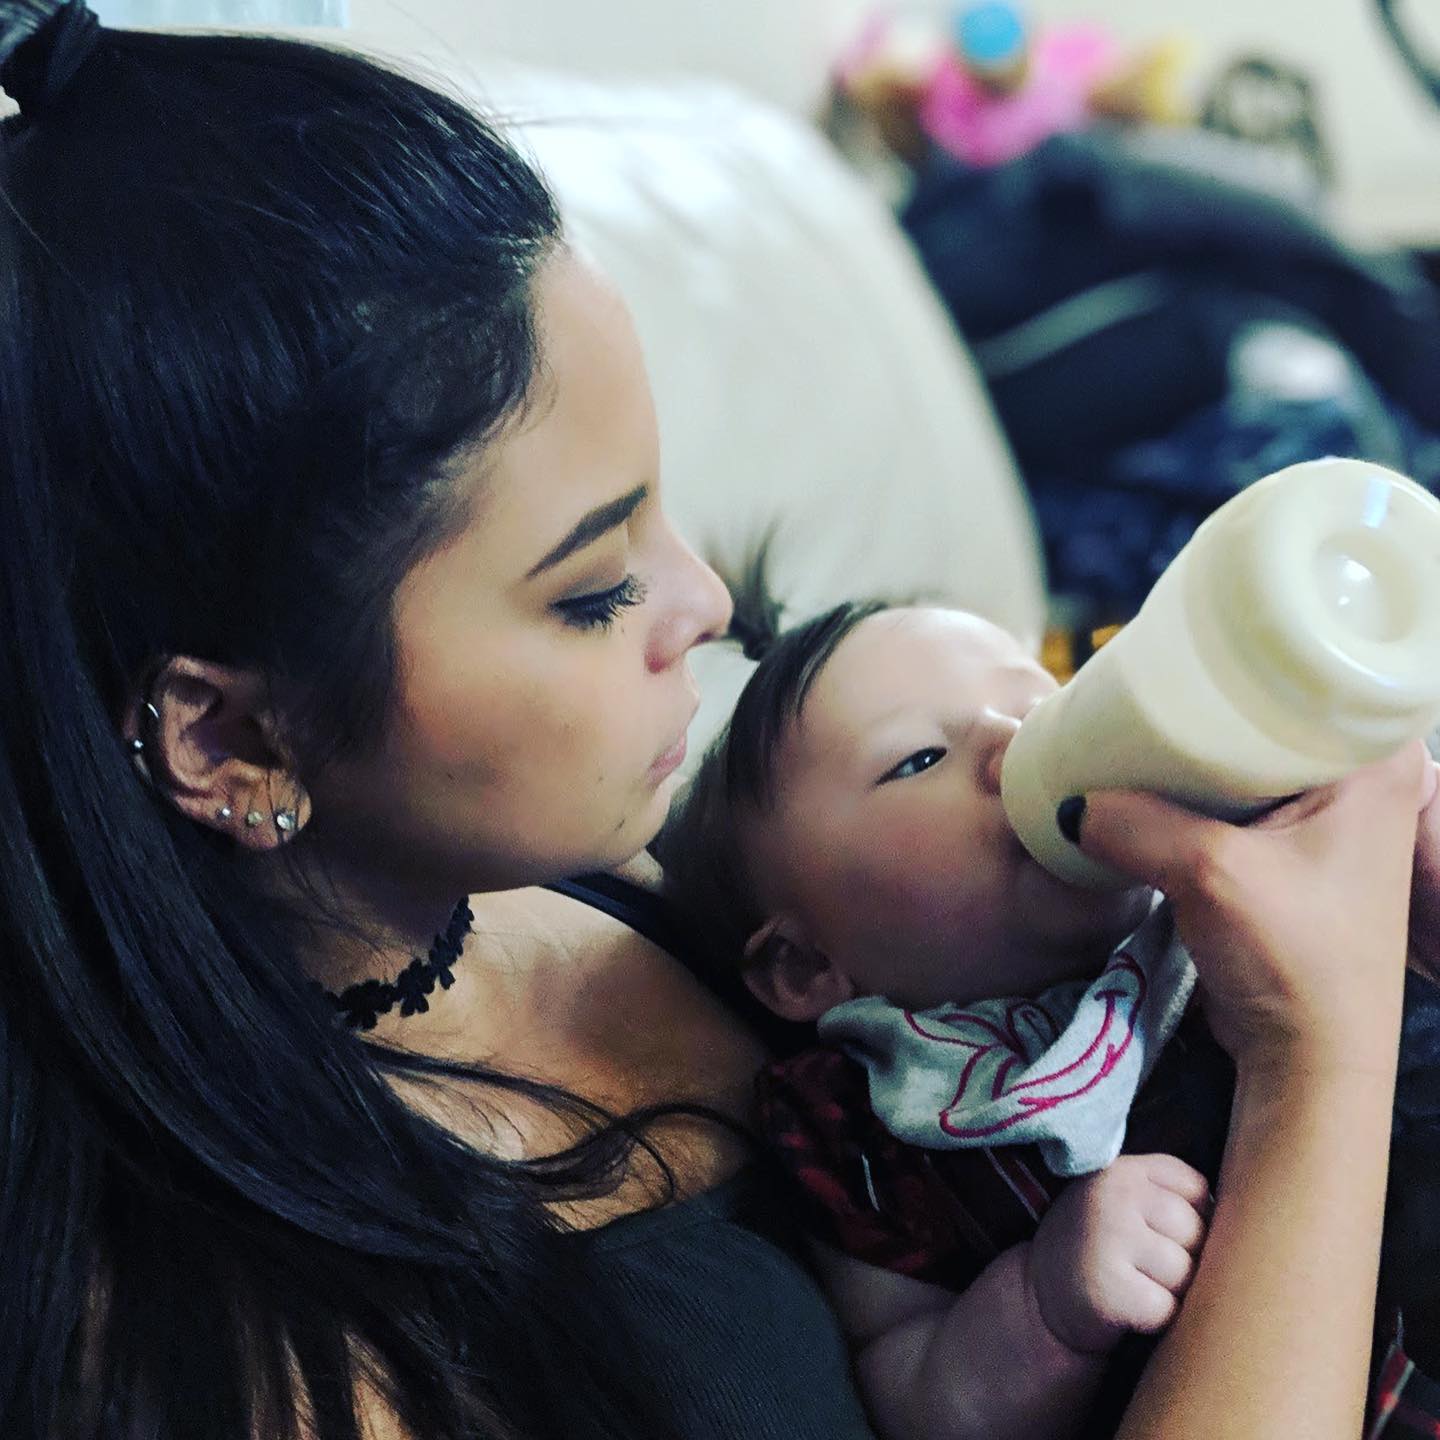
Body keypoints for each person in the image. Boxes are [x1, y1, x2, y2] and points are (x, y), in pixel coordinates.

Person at [0, 4, 1426, 1439]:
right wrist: (1322, 1053)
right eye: (590, 591)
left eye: (660, 516)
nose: (704, 602)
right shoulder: (264, 1360)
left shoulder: (599, 873)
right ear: (231, 742)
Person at [660, 595, 1440, 1438]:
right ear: (805, 964)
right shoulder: (867, 1129)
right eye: (920, 758)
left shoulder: (1232, 897)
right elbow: (908, 1391)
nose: (1017, 744)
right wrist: (1041, 1305)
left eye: (1039, 706)